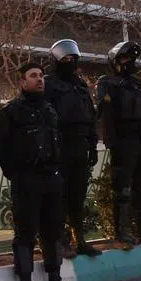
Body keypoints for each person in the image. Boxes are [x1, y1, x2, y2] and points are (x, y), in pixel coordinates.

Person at [0, 63, 77, 281]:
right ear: (22, 82)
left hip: (52, 178)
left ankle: (55, 279)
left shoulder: (50, 110)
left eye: (41, 76)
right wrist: (16, 173)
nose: (39, 80)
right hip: (27, 178)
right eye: (33, 76)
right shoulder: (11, 112)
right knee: (26, 233)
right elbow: (0, 147)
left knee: (53, 230)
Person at [96, 41, 141, 248]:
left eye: (132, 59)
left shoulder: (136, 85)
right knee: (122, 190)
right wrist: (112, 141)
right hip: (123, 142)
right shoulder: (107, 82)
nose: (130, 63)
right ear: (115, 61)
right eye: (125, 59)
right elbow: (105, 113)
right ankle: (122, 233)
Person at [43, 39, 102, 257]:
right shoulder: (48, 83)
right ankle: (61, 240)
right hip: (60, 147)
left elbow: (90, 117)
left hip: (80, 146)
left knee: (78, 196)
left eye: (73, 59)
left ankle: (80, 239)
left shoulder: (80, 86)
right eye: (65, 59)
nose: (70, 62)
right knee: (59, 197)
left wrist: (93, 145)